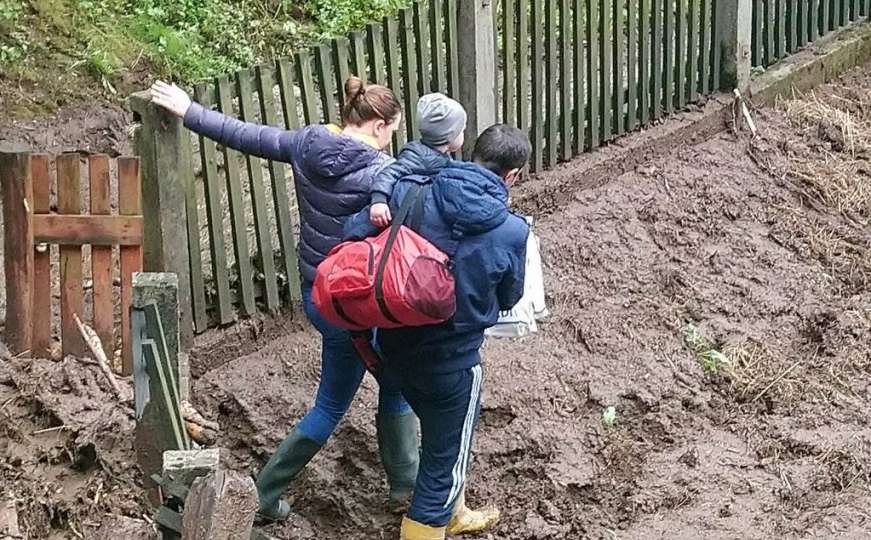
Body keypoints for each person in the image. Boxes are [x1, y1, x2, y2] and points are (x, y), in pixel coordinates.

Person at [149, 78, 420, 521]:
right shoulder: (379, 175)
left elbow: (246, 134)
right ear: (377, 125)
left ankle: (400, 486)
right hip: (363, 303)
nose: (392, 138)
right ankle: (260, 498)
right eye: (391, 128)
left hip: (320, 295)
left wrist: (190, 110)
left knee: (390, 378)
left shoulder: (307, 143)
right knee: (342, 401)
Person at [345, 124, 531, 539]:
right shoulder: (512, 230)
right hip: (452, 362)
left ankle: (456, 513)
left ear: (473, 154)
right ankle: (435, 520)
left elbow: (356, 235)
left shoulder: (413, 190)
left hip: (392, 345)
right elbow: (509, 297)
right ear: (512, 175)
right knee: (443, 468)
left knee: (438, 435)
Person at [368, 93, 466, 227]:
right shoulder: (418, 157)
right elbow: (389, 173)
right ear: (450, 136)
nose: (463, 134)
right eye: (462, 131)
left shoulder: (436, 155)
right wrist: (379, 200)